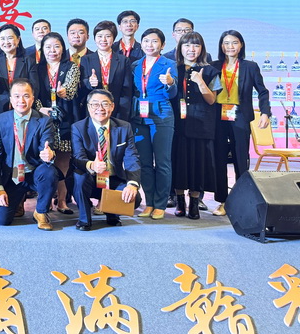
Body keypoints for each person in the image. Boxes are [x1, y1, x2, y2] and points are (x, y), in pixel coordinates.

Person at [211, 30, 271, 216]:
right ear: (221, 46)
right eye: (226, 43)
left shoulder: (250, 67)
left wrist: (265, 113)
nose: (230, 46)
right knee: (219, 159)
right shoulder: (214, 66)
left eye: (234, 42)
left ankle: (242, 201)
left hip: (240, 118)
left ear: (241, 45)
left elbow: (263, 91)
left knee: (240, 159)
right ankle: (222, 201)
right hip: (217, 118)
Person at [0, 79, 59, 229]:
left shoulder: (44, 121)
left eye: (26, 96)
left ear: (32, 99)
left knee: (49, 172)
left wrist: (49, 154)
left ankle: (40, 212)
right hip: (12, 176)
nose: (21, 101)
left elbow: (48, 146)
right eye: (17, 96)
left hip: (34, 173)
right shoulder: (0, 120)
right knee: (0, 220)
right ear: (11, 99)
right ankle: (16, 202)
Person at [72, 89, 142, 230]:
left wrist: (132, 184)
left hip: (112, 178)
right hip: (90, 178)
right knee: (79, 178)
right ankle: (84, 219)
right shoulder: (78, 128)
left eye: (105, 104)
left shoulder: (124, 127)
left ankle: (112, 213)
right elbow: (77, 157)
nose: (100, 108)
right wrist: (92, 165)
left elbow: (132, 157)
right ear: (89, 107)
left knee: (134, 197)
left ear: (112, 106)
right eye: (95, 104)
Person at [171, 32, 221, 218]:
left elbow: (212, 100)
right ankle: (179, 201)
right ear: (180, 48)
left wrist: (201, 83)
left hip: (201, 125)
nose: (191, 49)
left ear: (202, 49)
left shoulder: (211, 71)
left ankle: (194, 202)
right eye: (187, 45)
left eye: (196, 45)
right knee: (178, 162)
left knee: (198, 164)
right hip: (177, 125)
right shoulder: (173, 69)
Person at [132, 28, 177, 220]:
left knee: (162, 161)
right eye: (146, 41)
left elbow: (172, 94)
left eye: (154, 41)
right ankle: (149, 202)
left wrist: (170, 83)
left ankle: (160, 204)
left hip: (161, 114)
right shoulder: (135, 64)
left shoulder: (169, 64)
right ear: (141, 44)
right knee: (144, 162)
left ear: (163, 45)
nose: (150, 45)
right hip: (139, 115)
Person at [35, 32, 80, 213]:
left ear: (63, 48)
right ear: (42, 49)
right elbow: (33, 92)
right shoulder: (36, 68)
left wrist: (64, 92)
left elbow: (71, 89)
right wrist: (40, 109)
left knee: (62, 161)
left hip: (65, 118)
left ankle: (61, 201)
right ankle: (44, 201)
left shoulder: (71, 67)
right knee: (43, 160)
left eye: (56, 46)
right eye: (48, 47)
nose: (52, 50)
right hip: (42, 119)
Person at [0, 24, 39, 132]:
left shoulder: (28, 61)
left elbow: (35, 86)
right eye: (2, 39)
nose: (6, 42)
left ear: (18, 39)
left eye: (10, 38)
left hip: (22, 109)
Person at [80, 20, 133, 121]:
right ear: (94, 38)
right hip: (94, 111)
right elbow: (82, 84)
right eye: (99, 36)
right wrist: (90, 83)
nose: (103, 40)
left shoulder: (123, 60)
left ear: (113, 38)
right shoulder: (86, 59)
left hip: (117, 110)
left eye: (108, 36)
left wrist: (122, 114)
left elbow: (127, 90)